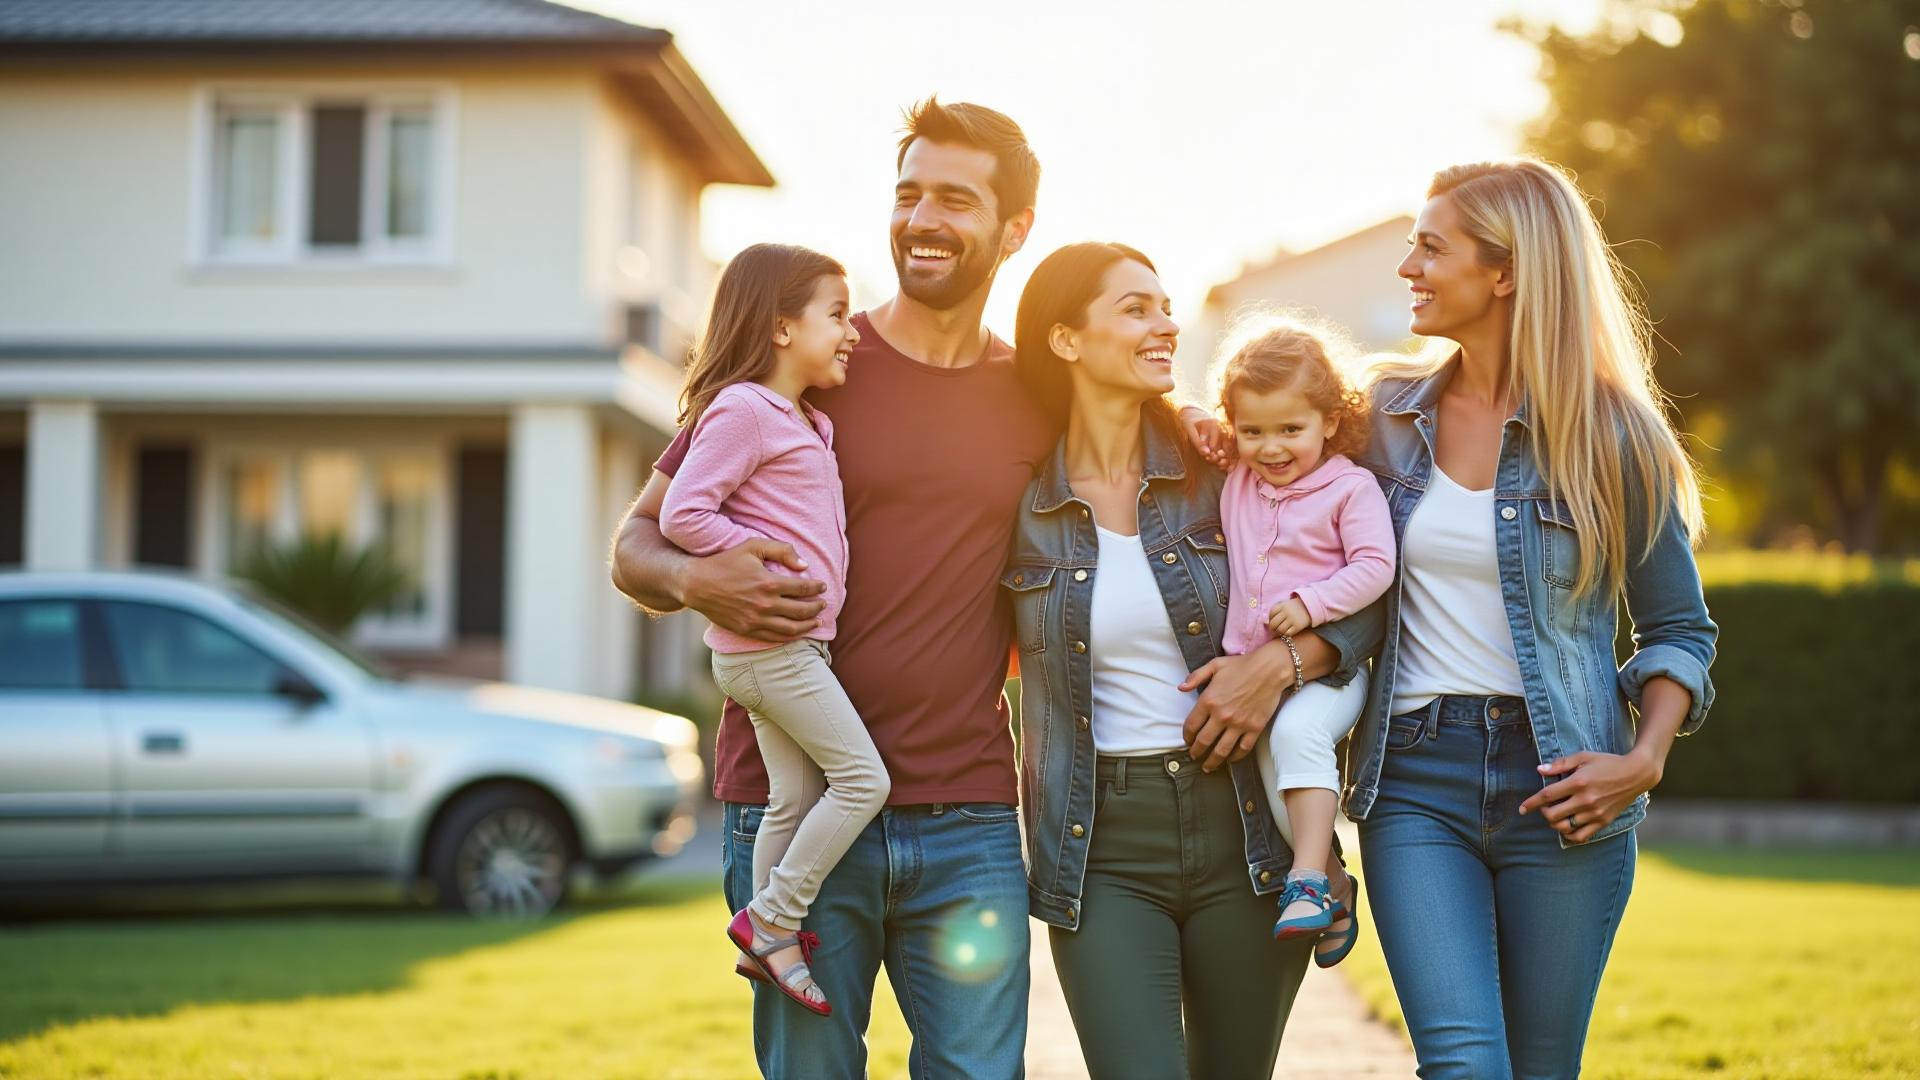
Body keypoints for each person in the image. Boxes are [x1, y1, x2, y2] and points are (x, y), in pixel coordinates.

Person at [1341, 158, 1719, 1078]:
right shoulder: (1379, 414)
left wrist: (1643, 759)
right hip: (1413, 782)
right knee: (1466, 1064)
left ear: (1504, 271)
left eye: (1431, 248)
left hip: (1564, 793)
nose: (1408, 269)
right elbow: (1261, 444)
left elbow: (1679, 630)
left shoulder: (1614, 437)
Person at [1003, 242, 1375, 1079]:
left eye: (1166, 306)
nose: (1165, 323)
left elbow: (1368, 604)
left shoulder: (1230, 470)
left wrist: (1281, 664)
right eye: (1135, 308)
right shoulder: (1018, 501)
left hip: (1242, 819)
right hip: (1099, 839)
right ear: (1066, 339)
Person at [656, 243, 881, 1016]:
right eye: (838, 315)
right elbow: (683, 512)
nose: (852, 332)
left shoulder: (806, 420)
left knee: (794, 794)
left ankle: (772, 952)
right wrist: (744, 558)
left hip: (793, 650)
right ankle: (772, 918)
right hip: (771, 649)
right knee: (863, 781)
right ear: (783, 328)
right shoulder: (744, 409)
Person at [1209, 320, 1392, 957]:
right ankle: (1334, 884)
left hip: (1330, 674)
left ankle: (1308, 880)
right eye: (1252, 430)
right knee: (1281, 788)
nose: (1271, 447)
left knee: (1298, 737)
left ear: (1331, 422)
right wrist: (1190, 415)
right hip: (1255, 676)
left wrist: (1311, 604)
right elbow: (1189, 427)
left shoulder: (1349, 488)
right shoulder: (1238, 480)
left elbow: (1375, 567)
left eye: (1291, 429)